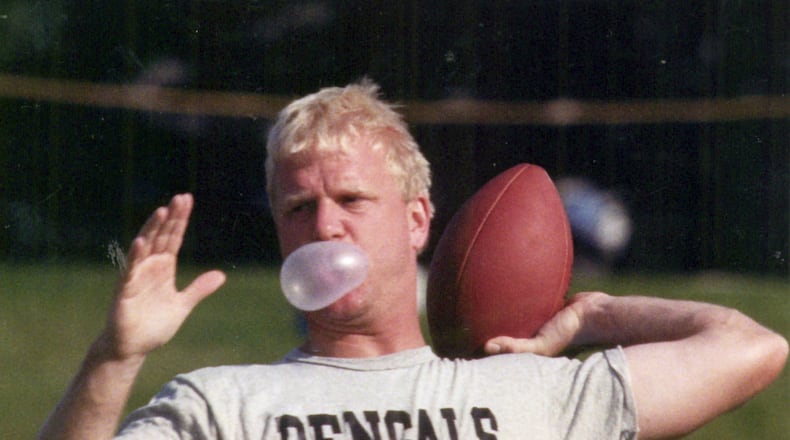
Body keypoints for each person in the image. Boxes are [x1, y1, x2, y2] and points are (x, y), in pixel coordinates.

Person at [39, 80, 787, 440]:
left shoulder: (531, 392)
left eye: (352, 199)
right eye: (298, 208)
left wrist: (595, 314)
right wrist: (114, 357)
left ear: (417, 220)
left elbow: (752, 348)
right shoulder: (220, 405)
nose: (324, 224)